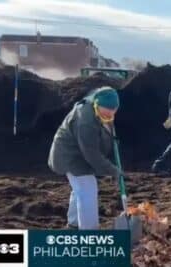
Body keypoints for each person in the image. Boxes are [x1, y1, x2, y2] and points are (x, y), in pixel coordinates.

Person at [48, 86, 123, 230]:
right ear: (96, 105)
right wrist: (112, 170)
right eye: (106, 114)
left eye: (112, 113)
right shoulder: (85, 121)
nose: (109, 116)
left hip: (78, 153)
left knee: (79, 189)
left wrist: (110, 134)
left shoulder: (99, 107)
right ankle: (89, 232)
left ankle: (74, 224)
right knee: (87, 189)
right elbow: (92, 154)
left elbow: (105, 125)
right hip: (69, 156)